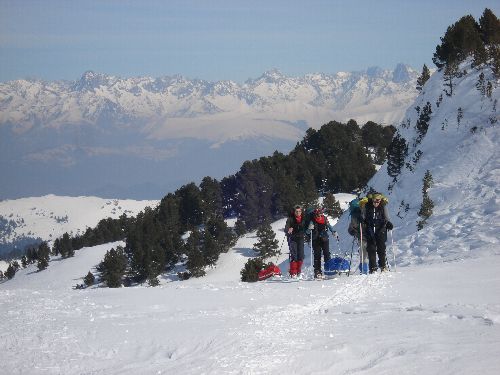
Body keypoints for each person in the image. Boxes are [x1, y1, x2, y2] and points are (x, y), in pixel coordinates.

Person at [361, 193, 393, 273]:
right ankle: (373, 268)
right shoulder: (367, 207)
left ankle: (383, 266)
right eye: (375, 202)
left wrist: (388, 223)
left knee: (381, 249)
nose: (376, 203)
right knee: (371, 249)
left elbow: (386, 217)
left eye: (378, 202)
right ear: (372, 200)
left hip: (381, 230)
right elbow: (363, 217)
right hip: (370, 230)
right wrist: (362, 221)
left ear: (380, 201)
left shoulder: (383, 207)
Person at [307, 208, 336, 279]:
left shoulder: (324, 219)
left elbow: (329, 226)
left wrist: (333, 231)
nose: (320, 215)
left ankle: (328, 269)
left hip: (324, 239)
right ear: (316, 214)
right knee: (317, 255)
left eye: (321, 213)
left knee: (326, 254)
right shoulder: (312, 221)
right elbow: (307, 232)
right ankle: (317, 271)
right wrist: (309, 229)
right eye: (319, 213)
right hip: (316, 240)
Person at [347, 198, 369, 274]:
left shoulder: (354, 215)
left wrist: (353, 231)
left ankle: (364, 269)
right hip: (365, 236)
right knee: (365, 253)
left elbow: (351, 228)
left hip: (361, 236)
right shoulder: (364, 211)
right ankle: (366, 268)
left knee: (363, 253)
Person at [284, 204, 306, 277]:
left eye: (299, 211)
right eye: (296, 211)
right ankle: (293, 272)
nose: (298, 213)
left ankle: (298, 271)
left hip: (301, 238)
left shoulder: (303, 218)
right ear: (294, 212)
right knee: (294, 255)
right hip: (292, 238)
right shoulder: (290, 219)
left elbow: (306, 226)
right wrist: (288, 230)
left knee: (301, 255)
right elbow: (286, 229)